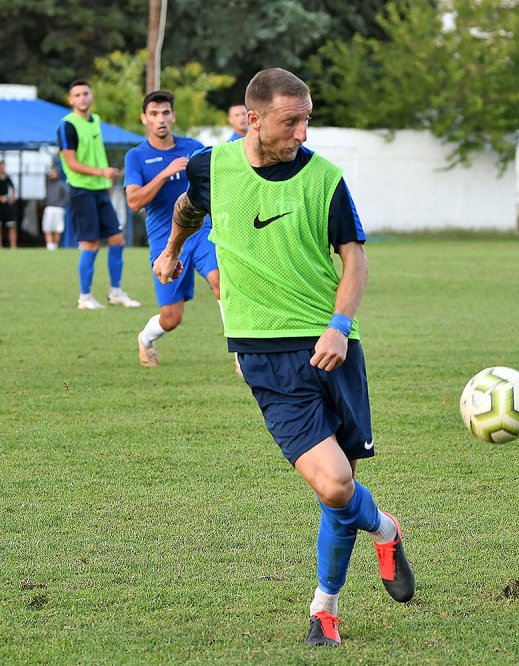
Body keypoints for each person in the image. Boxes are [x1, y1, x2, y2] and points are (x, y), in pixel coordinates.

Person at [152, 68, 413, 648]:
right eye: (290, 120)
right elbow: (190, 211)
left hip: (331, 346)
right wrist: (172, 252)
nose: (301, 131)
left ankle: (325, 607)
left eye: (307, 119)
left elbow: (355, 259)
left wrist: (340, 327)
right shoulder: (211, 167)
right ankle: (386, 528)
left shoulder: (325, 179)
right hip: (263, 353)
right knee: (337, 485)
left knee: (337, 487)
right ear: (253, 118)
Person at [125, 90, 224, 369]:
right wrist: (165, 173)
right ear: (144, 118)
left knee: (221, 282)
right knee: (171, 318)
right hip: (165, 240)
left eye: (166, 113)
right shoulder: (136, 156)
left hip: (202, 230)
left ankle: (243, 357)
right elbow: (133, 201)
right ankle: (145, 340)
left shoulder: (193, 147)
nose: (161, 119)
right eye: (154, 114)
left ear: (173, 116)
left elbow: (215, 182)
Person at [57, 78, 140, 310]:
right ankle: (84, 297)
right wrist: (101, 171)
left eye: (85, 93)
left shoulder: (96, 120)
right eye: (77, 95)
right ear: (71, 100)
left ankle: (116, 292)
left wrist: (103, 179)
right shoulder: (67, 125)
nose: (82, 98)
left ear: (91, 96)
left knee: (117, 239)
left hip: (99, 190)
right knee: (91, 243)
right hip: (81, 191)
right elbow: (71, 163)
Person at [42, 166, 69, 250]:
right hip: (49, 208)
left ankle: (55, 245)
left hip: (58, 209)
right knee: (47, 227)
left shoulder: (62, 185)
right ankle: (49, 245)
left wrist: (61, 204)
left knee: (57, 228)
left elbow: (67, 197)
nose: (52, 174)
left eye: (54, 172)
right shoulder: (48, 183)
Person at [0, 160, 17, 249]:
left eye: (4, 166)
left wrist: (12, 198)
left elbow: (13, 189)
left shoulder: (8, 178)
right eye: (1, 166)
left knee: (12, 225)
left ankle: (13, 246)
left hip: (8, 206)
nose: (3, 168)